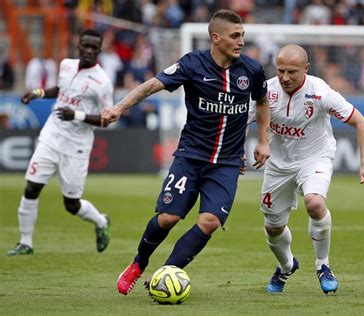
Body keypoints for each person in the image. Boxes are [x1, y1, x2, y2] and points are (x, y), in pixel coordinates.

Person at [100, 9, 270, 296]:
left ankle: (166, 272)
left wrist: (263, 141)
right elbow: (151, 86)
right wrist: (119, 107)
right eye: (235, 36)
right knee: (168, 218)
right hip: (191, 156)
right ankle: (138, 264)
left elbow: (263, 102)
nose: (241, 41)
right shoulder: (193, 64)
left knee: (210, 221)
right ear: (216, 38)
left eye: (243, 35)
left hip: (227, 162)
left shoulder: (251, 70)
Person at [248, 44, 364, 294]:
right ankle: (286, 266)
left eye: (292, 71)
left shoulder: (320, 92)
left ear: (306, 69)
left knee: (314, 203)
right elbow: (236, 122)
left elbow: (361, 122)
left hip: (315, 158)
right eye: (280, 71)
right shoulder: (266, 91)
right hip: (277, 165)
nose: (285, 77)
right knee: (273, 227)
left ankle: (323, 266)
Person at [7, 29, 113, 256]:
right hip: (50, 136)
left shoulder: (102, 82)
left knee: (71, 204)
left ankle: (101, 221)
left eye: (94, 48)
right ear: (78, 45)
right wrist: (37, 93)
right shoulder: (66, 65)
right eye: (86, 45)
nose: (89, 51)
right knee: (31, 187)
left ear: (100, 51)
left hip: (76, 146)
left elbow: (108, 118)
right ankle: (25, 243)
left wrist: (77, 115)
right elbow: (62, 89)